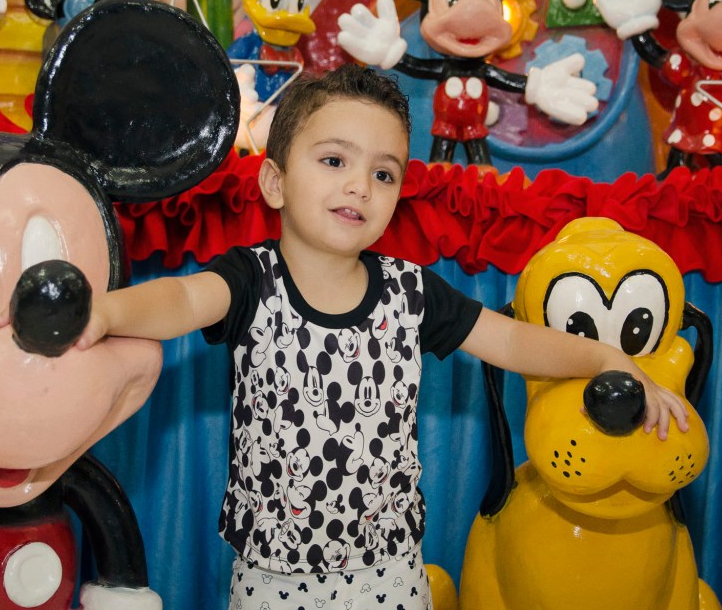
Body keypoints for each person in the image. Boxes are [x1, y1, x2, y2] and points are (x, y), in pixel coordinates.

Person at [77, 64, 690, 609]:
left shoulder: (412, 292)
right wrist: (104, 313)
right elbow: (182, 299)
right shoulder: (251, 280)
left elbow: (512, 343)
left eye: (384, 173)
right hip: (271, 574)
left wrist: (605, 357)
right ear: (275, 182)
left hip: (388, 573)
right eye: (334, 161)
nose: (360, 186)